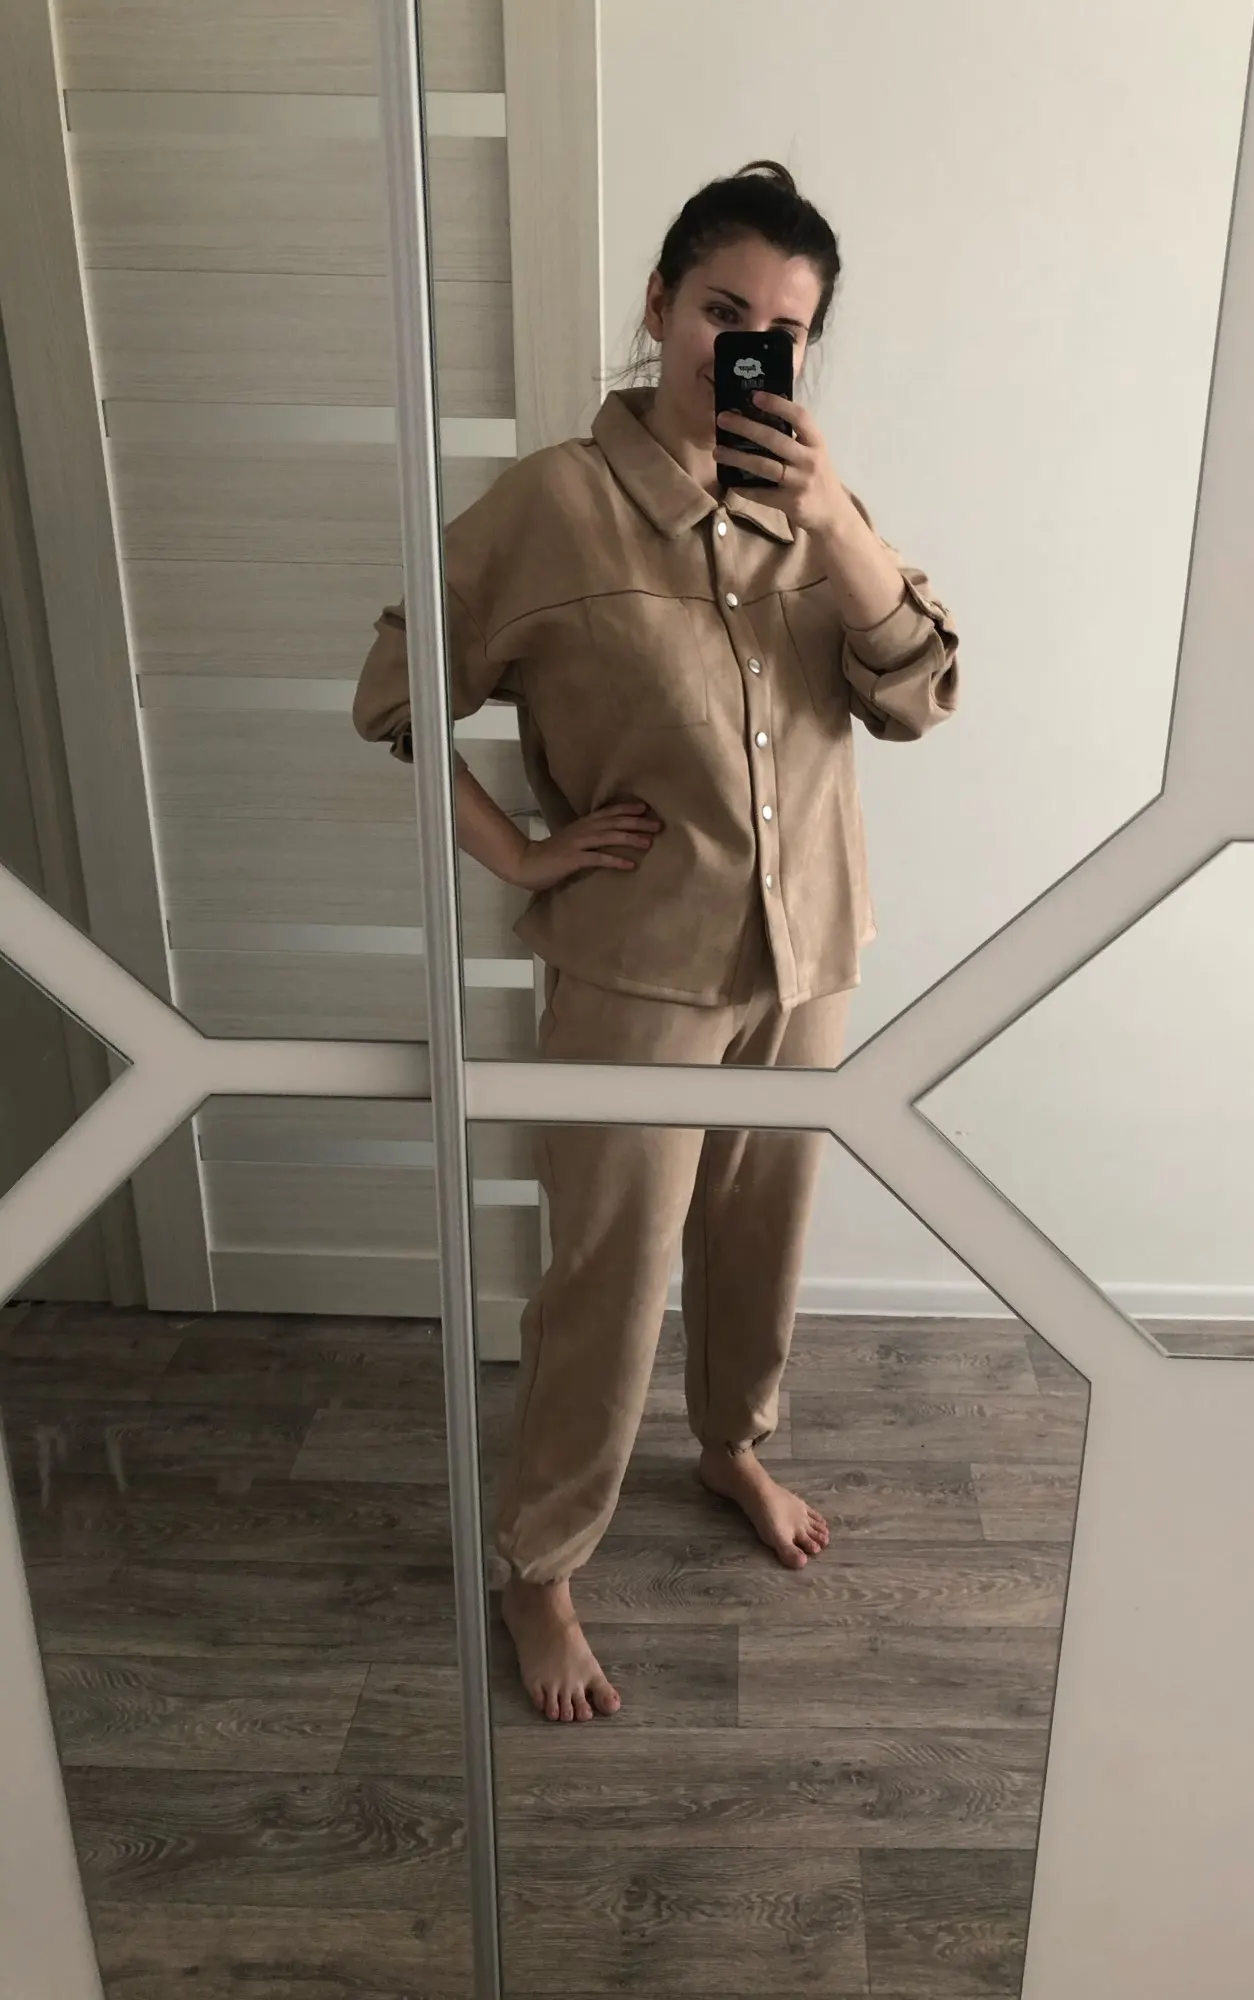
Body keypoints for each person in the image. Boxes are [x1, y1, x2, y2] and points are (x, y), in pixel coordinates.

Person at [353, 160, 959, 1723]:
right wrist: (523, 854)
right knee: (609, 1280)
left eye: (785, 330)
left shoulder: (819, 508)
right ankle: (541, 1566)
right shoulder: (552, 508)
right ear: (659, 306)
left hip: (809, 958)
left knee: (764, 1235)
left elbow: (918, 693)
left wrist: (833, 520)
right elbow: (396, 690)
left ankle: (731, 1446)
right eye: (718, 308)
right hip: (637, 974)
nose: (745, 345)